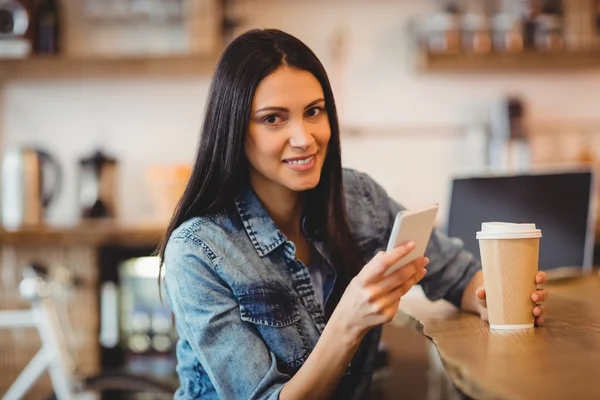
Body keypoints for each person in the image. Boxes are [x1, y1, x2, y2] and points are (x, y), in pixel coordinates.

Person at [159, 28, 548, 400]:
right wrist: (348, 321)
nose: (304, 138)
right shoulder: (197, 252)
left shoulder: (356, 196)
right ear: (234, 130)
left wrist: (495, 298)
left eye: (314, 111)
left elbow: (458, 276)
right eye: (273, 118)